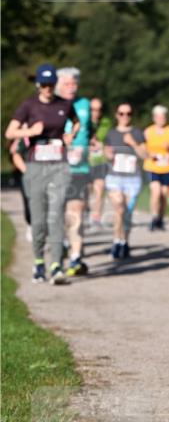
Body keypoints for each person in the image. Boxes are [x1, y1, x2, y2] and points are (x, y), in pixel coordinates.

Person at [5, 63, 79, 284]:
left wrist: (71, 135)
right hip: (36, 167)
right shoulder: (29, 106)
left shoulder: (64, 104)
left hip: (59, 166)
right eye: (44, 84)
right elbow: (10, 132)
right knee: (38, 220)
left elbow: (76, 122)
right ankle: (39, 262)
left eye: (51, 84)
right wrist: (30, 131)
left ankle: (56, 266)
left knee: (56, 216)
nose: (48, 88)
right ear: (38, 84)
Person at [56, 67, 92, 277]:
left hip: (80, 168)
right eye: (67, 84)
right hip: (56, 168)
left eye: (74, 84)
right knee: (58, 213)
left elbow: (89, 130)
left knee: (76, 211)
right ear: (58, 85)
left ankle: (76, 257)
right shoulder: (52, 105)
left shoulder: (84, 104)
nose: (71, 88)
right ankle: (60, 245)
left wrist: (91, 144)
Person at [104, 103, 147, 260]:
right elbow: (106, 153)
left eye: (128, 113)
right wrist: (108, 154)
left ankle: (125, 242)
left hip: (132, 179)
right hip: (114, 177)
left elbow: (145, 155)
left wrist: (133, 143)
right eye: (122, 113)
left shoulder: (137, 133)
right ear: (117, 115)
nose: (125, 116)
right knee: (119, 209)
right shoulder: (111, 133)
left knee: (127, 213)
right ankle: (116, 241)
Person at [143, 105, 169, 231]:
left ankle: (160, 219)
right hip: (152, 167)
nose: (161, 119)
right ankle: (154, 217)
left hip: (166, 167)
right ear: (154, 118)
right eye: (158, 117)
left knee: (164, 195)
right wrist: (150, 154)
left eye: (163, 117)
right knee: (156, 192)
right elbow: (142, 149)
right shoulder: (148, 131)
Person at [88, 97, 112, 228]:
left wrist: (101, 144)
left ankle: (96, 218)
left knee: (99, 189)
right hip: (85, 162)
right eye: (92, 110)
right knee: (85, 191)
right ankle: (85, 212)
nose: (95, 112)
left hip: (100, 161)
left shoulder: (106, 123)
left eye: (98, 110)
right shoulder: (82, 122)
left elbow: (108, 140)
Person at [9, 137, 32, 242]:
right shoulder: (23, 138)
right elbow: (13, 153)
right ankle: (30, 224)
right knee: (27, 200)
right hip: (25, 174)